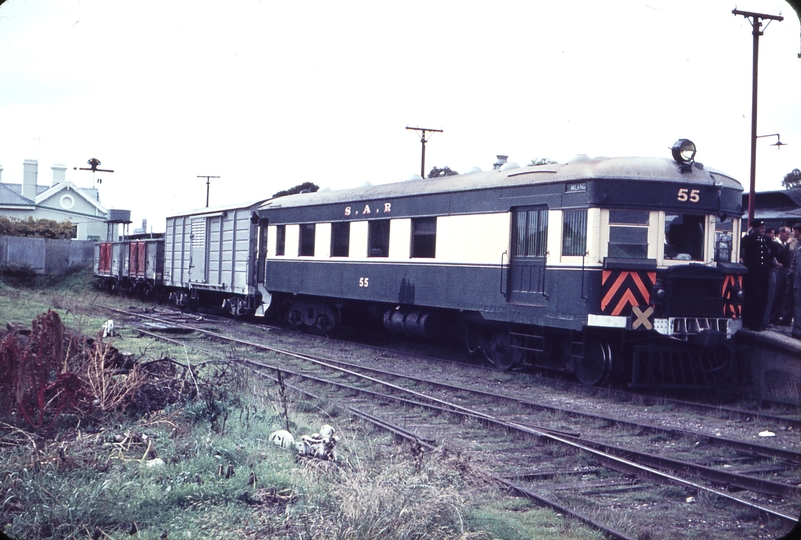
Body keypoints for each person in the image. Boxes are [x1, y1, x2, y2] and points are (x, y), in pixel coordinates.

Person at [740, 220, 775, 331]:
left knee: (763, 297)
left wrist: (768, 260)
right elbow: (739, 246)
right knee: (754, 296)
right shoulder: (748, 239)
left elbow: (775, 249)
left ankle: (759, 322)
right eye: (761, 228)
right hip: (753, 271)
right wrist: (742, 259)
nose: (763, 229)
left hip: (763, 272)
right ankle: (750, 322)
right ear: (755, 228)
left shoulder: (766, 239)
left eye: (764, 227)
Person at [770, 226, 792, 325]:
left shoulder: (783, 244)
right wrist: (787, 245)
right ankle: (772, 315)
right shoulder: (776, 243)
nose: (788, 236)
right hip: (779, 270)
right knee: (777, 293)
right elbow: (780, 254)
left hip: (785, 270)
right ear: (781, 233)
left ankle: (776, 315)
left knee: (782, 295)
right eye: (787, 234)